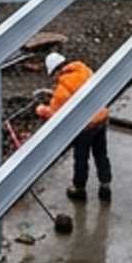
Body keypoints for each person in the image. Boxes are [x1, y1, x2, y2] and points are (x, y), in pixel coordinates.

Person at [35, 50, 112, 203]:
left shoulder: (61, 91)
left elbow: (55, 114)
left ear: (56, 71)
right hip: (101, 117)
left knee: (81, 158)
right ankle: (105, 185)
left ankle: (79, 188)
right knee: (101, 154)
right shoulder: (82, 68)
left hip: (84, 126)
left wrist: (40, 109)